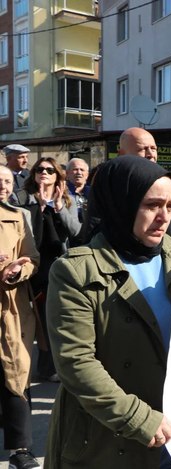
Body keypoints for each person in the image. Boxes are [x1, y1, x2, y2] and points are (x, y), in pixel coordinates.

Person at [44, 155, 171, 468]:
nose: (163, 217)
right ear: (121, 203)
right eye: (152, 205)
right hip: (111, 437)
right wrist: (137, 417)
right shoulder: (75, 271)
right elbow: (76, 362)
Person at [15, 157, 81, 383]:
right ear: (33, 174)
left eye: (49, 170)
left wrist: (58, 208)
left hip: (59, 265)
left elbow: (76, 232)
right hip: (33, 267)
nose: (44, 172)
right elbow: (27, 235)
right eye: (40, 169)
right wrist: (40, 208)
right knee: (36, 320)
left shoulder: (67, 200)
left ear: (57, 176)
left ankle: (50, 366)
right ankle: (38, 366)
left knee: (56, 317)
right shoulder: (23, 199)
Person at [0, 166, 41, 469]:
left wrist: (18, 270)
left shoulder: (18, 216)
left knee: (17, 374)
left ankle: (20, 450)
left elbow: (33, 260)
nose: (2, 185)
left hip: (11, 308)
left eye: (6, 181)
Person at [66, 157, 91, 223]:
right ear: (67, 174)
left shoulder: (93, 192)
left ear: (87, 175)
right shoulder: (62, 192)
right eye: (75, 169)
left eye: (82, 170)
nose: (79, 172)